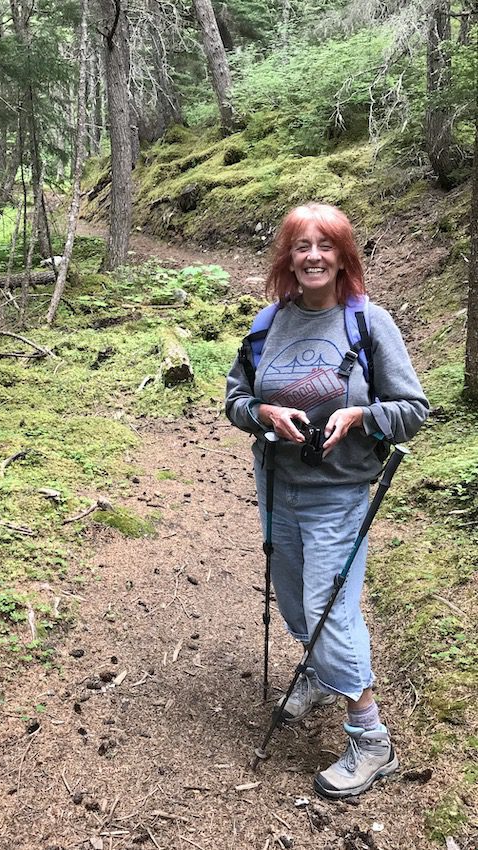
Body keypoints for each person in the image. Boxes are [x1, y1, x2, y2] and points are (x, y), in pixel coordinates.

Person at [225, 203, 429, 799]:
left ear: (343, 257)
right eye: (301, 246)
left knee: (327, 608)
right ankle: (318, 674)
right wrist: (263, 412)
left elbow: (413, 409)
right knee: (293, 600)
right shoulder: (269, 322)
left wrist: (360, 415)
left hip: (338, 493)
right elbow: (235, 399)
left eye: (325, 245)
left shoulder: (368, 323)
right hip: (276, 486)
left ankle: (371, 739)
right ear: (288, 258)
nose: (313, 256)